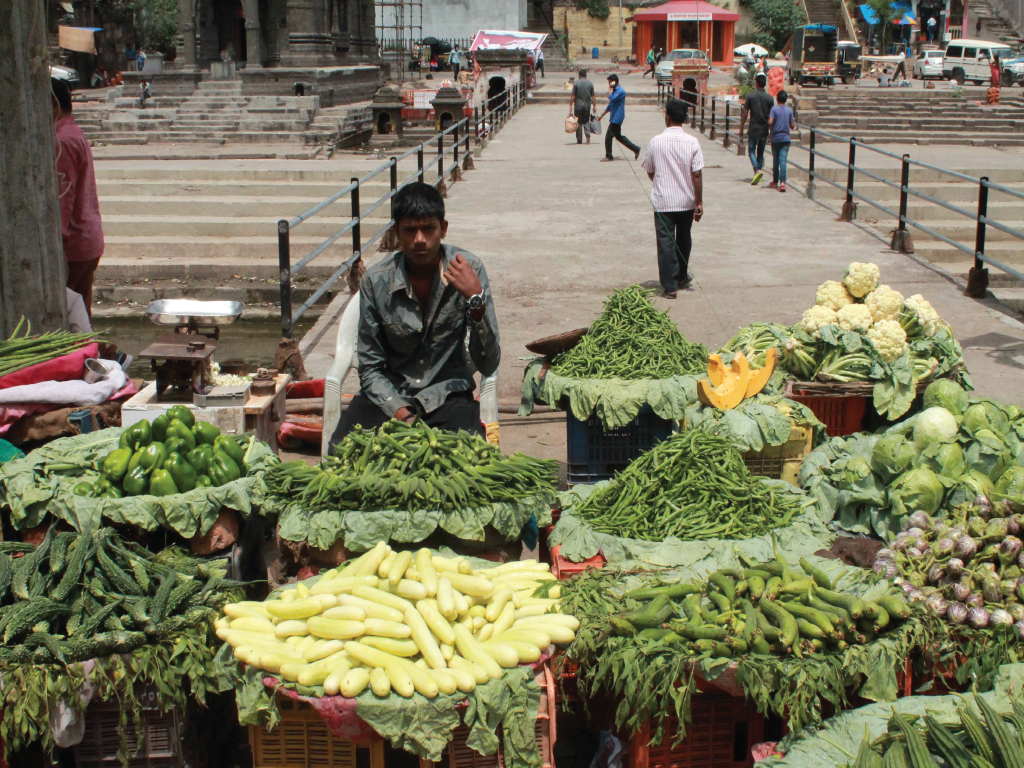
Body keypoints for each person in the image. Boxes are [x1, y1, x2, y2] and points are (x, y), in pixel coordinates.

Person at [328, 182, 500, 446]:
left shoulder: (469, 268)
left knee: (467, 462)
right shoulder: (376, 282)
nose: (420, 239)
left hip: (448, 396)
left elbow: (488, 364)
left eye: (429, 228)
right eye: (410, 230)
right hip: (388, 397)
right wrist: (401, 412)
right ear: (397, 232)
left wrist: (475, 300)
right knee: (342, 453)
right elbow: (370, 368)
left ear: (443, 229)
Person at [640, 98, 704, 299]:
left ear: (667, 116)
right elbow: (697, 174)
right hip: (686, 200)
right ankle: (682, 276)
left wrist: (660, 182)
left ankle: (670, 286)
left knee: (666, 242)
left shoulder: (656, 141)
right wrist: (699, 201)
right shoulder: (693, 142)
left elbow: (650, 170)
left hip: (663, 201)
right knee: (684, 239)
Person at [52, 78, 104, 318]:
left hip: (73, 245)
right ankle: (104, 354)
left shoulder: (61, 140)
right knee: (82, 317)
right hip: (88, 239)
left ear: (53, 106)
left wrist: (56, 246)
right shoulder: (73, 132)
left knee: (66, 318)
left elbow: (63, 197)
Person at [738, 72, 773, 184]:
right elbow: (772, 116)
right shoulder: (770, 98)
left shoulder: (751, 96)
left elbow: (745, 113)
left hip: (753, 127)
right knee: (761, 152)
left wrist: (741, 128)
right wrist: (771, 132)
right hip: (764, 128)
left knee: (751, 151)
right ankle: (758, 173)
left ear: (756, 83)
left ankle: (757, 170)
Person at [597, 73, 640, 162]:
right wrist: (602, 115)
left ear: (614, 82)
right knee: (618, 137)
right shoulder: (615, 91)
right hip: (614, 117)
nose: (609, 84)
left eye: (610, 82)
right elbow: (610, 105)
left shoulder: (620, 91)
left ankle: (609, 156)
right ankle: (635, 149)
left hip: (617, 117)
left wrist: (609, 89)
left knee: (608, 137)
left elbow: (611, 99)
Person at [768, 89, 795, 192]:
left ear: (777, 98)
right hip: (786, 138)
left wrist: (771, 131)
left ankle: (775, 181)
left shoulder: (774, 109)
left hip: (776, 138)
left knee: (776, 160)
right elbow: (792, 126)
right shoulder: (789, 110)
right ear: (786, 99)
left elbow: (770, 121)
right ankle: (783, 182)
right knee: (783, 160)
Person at [569, 68, 596, 144]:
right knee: (586, 121)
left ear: (580, 75)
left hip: (578, 106)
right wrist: (594, 106)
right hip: (587, 106)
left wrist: (570, 105)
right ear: (586, 75)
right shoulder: (590, 84)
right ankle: (588, 136)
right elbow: (593, 96)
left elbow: (573, 96)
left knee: (578, 122)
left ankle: (579, 139)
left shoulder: (576, 83)